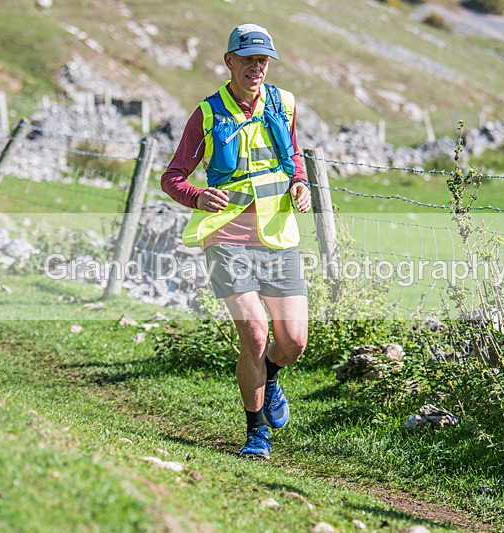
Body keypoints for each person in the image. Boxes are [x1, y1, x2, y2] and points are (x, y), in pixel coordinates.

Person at [161, 23, 311, 459]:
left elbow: (293, 156)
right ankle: (256, 432)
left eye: (263, 60)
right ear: (229, 61)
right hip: (226, 237)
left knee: (293, 343)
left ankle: (269, 375)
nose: (256, 67)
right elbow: (172, 177)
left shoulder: (284, 104)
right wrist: (197, 196)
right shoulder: (206, 114)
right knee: (255, 332)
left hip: (277, 235)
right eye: (247, 59)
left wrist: (300, 183)